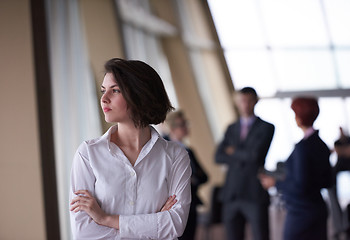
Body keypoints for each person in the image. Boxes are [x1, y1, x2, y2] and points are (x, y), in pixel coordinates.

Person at [69, 58, 192, 239]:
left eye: (115, 90)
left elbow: (175, 224)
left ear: (140, 94)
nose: (104, 98)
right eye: (104, 91)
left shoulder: (175, 156)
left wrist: (106, 218)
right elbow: (84, 233)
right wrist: (154, 223)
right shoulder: (88, 154)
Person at [259, 96, 332, 240]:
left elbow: (300, 185)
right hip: (318, 207)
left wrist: (275, 183)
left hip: (301, 211)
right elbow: (328, 181)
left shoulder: (302, 147)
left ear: (298, 117)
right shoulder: (321, 145)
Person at [215, 87, 275, 240]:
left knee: (261, 236)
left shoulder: (267, 127)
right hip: (231, 194)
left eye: (249, 101)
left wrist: (233, 151)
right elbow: (218, 156)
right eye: (242, 101)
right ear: (237, 103)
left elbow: (256, 156)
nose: (245, 105)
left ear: (255, 101)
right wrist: (243, 154)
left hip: (254, 192)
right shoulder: (231, 128)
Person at [164, 110, 208, 240]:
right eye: (182, 124)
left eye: (186, 123)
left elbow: (204, 177)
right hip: (171, 205)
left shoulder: (189, 150)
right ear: (172, 128)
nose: (186, 127)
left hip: (191, 204)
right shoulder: (163, 147)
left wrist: (191, 179)